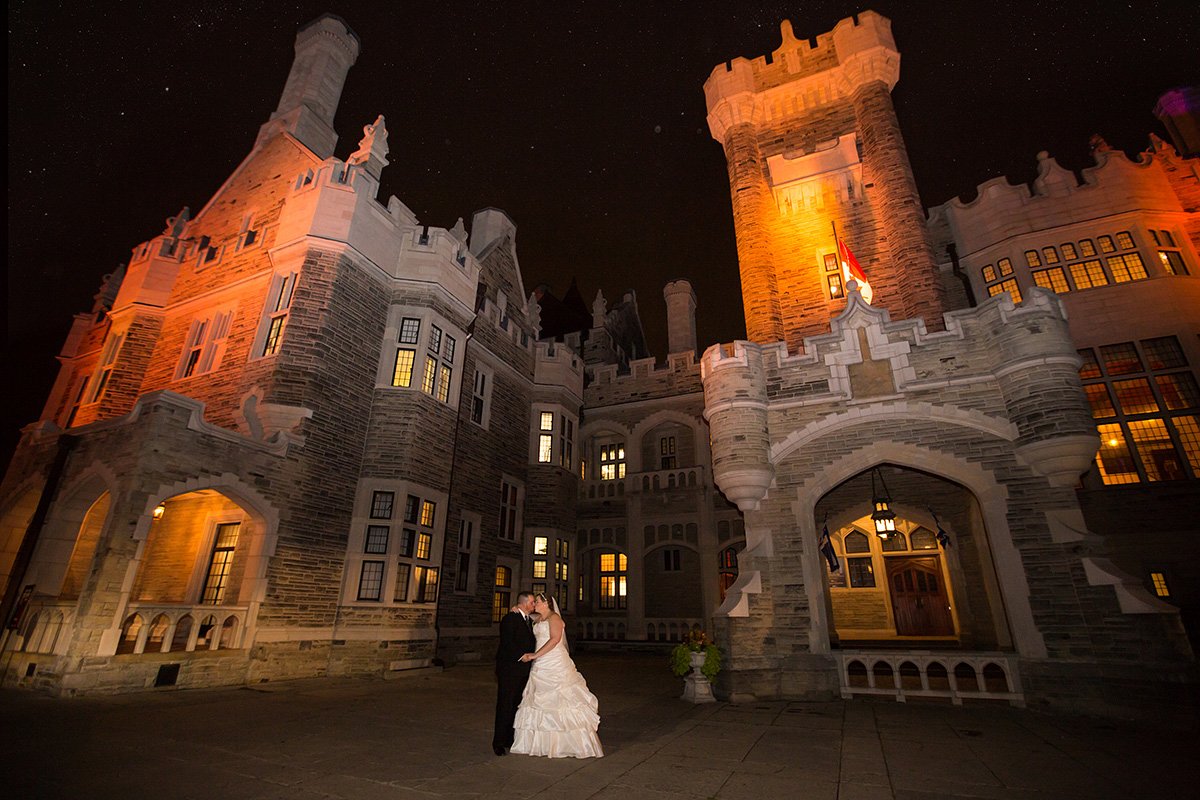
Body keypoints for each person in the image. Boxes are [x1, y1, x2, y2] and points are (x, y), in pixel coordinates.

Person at [510, 593, 604, 758]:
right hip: (541, 665)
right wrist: (517, 608)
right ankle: (541, 744)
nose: (534, 604)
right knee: (538, 701)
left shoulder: (555, 619)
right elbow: (527, 614)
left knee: (561, 700)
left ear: (546, 603)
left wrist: (534, 655)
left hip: (554, 661)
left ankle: (568, 743)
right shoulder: (538, 618)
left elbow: (554, 640)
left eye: (537, 602)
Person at [493, 591, 537, 756]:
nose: (534, 606)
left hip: (522, 671)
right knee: (505, 705)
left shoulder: (527, 619)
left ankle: (508, 738)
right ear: (525, 603)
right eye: (532, 602)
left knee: (515, 705)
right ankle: (498, 742)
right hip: (509, 670)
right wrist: (522, 656)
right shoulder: (510, 619)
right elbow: (508, 642)